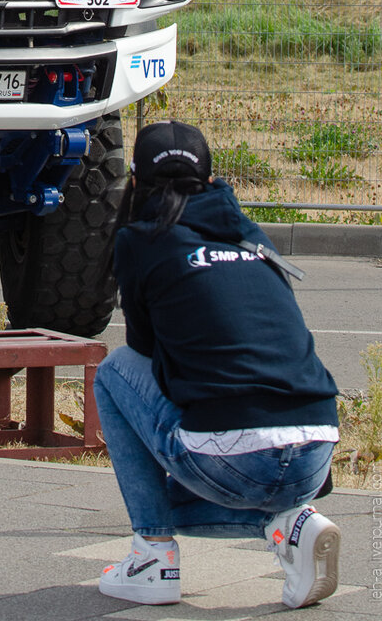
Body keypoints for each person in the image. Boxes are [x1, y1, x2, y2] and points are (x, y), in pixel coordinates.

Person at [93, 120, 340, 610]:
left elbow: (144, 354)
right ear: (210, 179)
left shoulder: (142, 241)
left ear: (136, 181)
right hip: (315, 452)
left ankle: (153, 555)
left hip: (232, 458)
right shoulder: (249, 233)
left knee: (112, 372)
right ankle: (292, 524)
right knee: (239, 467)